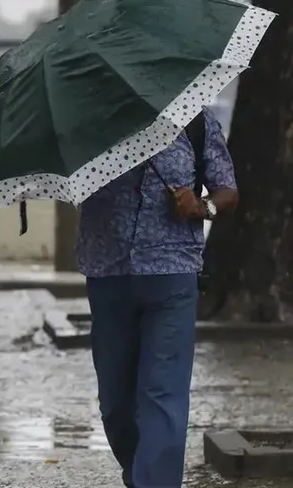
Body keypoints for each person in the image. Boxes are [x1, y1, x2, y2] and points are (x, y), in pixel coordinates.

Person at [76, 106, 238, 488]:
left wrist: (201, 206)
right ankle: (141, 475)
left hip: (172, 274)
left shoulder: (195, 121)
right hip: (107, 272)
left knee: (162, 395)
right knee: (115, 405)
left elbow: (227, 191)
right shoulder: (90, 122)